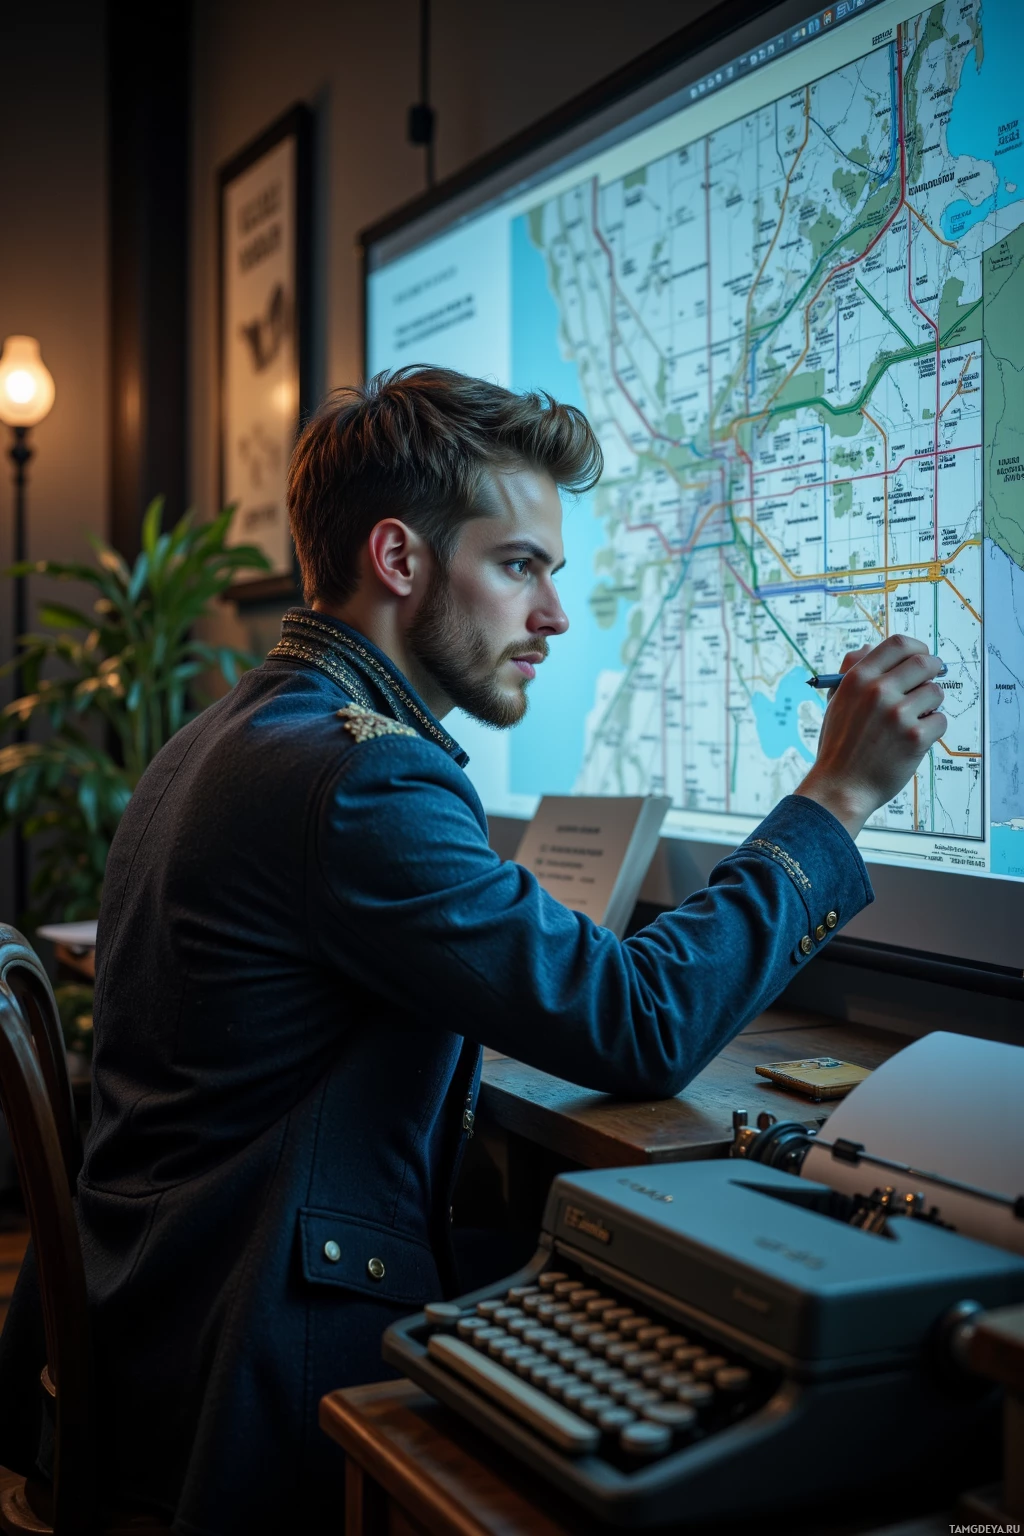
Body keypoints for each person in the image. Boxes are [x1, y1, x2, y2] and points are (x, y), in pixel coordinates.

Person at [0, 368, 945, 1534]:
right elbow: (640, 1026)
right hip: (252, 1377)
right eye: (519, 565)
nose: (552, 614)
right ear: (398, 560)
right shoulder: (358, 774)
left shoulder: (230, 731)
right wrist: (835, 795)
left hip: (159, 1322)